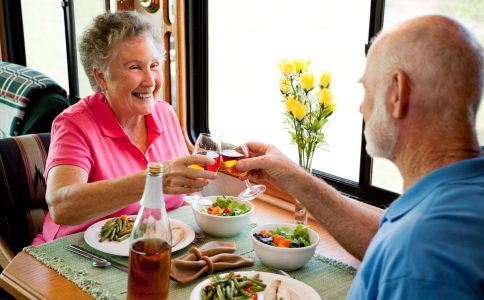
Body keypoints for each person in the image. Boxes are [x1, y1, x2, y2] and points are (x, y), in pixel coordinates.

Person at [237, 15, 484, 299]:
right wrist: (294, 178)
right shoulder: (454, 197)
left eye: (366, 89)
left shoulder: (420, 255)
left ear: (396, 92)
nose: (361, 108)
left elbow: (409, 253)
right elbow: (385, 238)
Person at [32, 11, 216, 245]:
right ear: (101, 76)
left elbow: (182, 195)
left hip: (147, 246)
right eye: (134, 67)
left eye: (154, 65)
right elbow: (61, 206)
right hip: (75, 252)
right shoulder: (74, 124)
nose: (150, 80)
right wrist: (154, 179)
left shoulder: (166, 113)